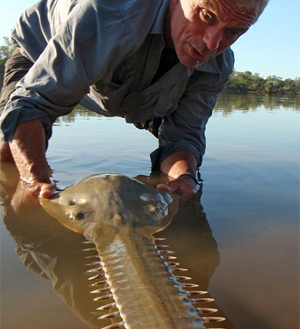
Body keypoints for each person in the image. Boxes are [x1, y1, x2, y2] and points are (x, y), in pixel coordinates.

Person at [0, 0, 268, 199]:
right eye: (207, 15)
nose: (212, 43)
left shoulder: (217, 65)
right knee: (9, 154)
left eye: (233, 31)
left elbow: (182, 137)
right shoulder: (110, 13)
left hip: (140, 95)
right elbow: (32, 105)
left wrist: (185, 178)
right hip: (43, 53)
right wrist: (36, 185)